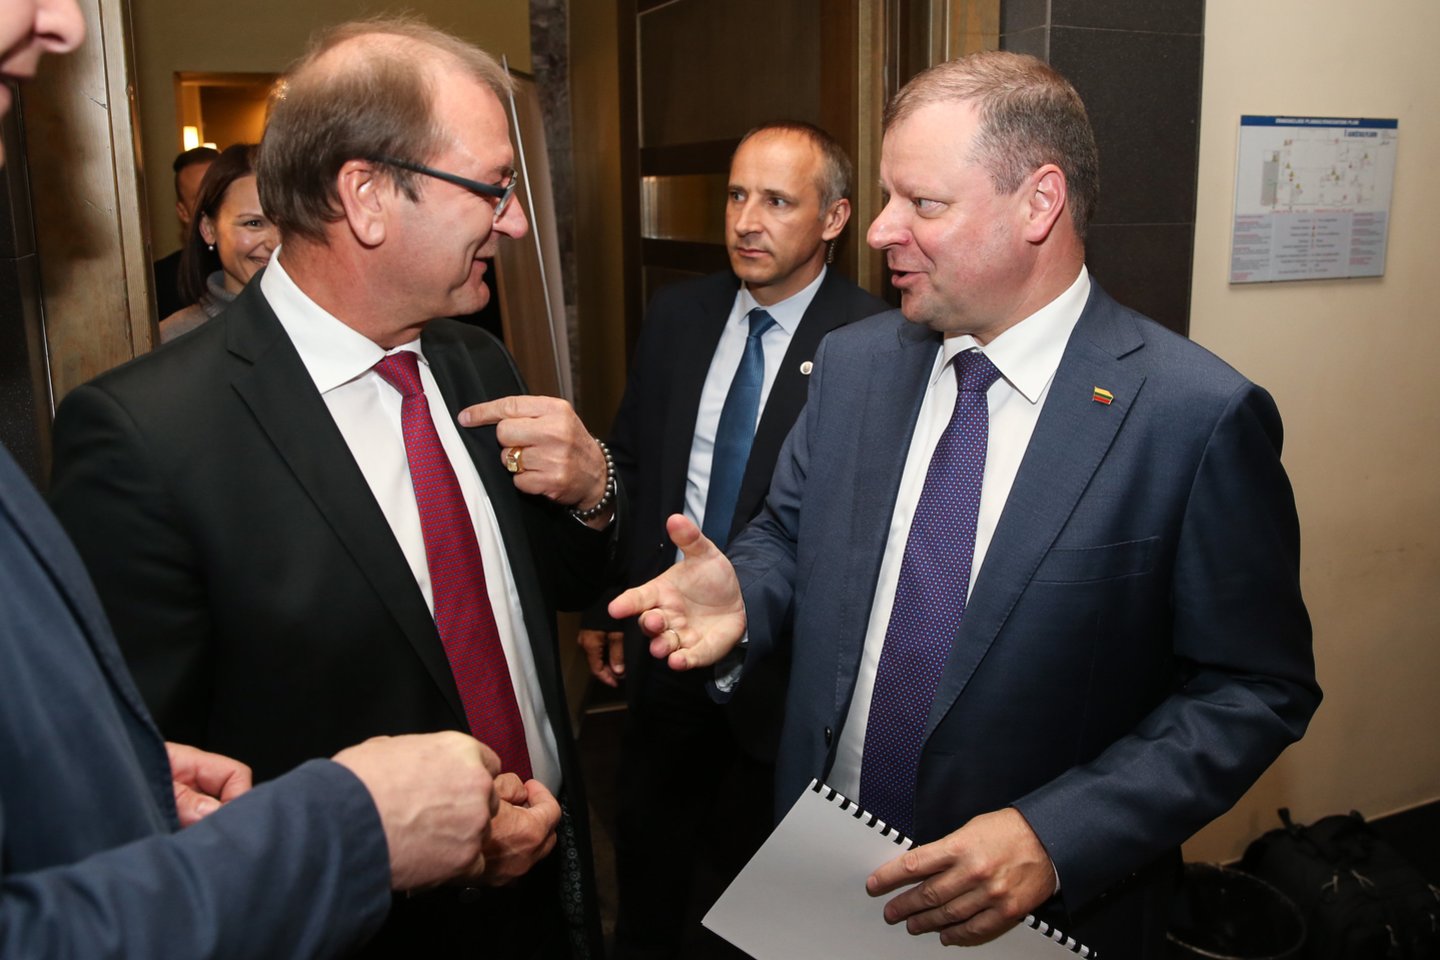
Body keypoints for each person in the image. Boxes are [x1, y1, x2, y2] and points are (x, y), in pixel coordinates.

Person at [611, 51, 1320, 958]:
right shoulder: (856, 366)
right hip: (820, 867)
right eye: (886, 197)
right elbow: (787, 533)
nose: (879, 230)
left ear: (1039, 204)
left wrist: (1055, 837)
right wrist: (746, 591)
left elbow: (1254, 688)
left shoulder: (1192, 417)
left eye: (923, 203)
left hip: (1036, 918)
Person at [49, 16, 619, 959]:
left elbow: (545, 589)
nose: (516, 220)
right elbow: (133, 790)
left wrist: (595, 491)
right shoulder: (145, 439)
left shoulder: (476, 361)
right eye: (493, 187)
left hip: (548, 881)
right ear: (366, 196)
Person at [581, 120, 886, 960]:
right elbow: (633, 466)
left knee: (755, 898)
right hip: (665, 649)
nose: (747, 221)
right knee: (649, 868)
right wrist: (607, 599)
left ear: (834, 218)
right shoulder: (678, 315)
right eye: (737, 196)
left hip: (780, 674)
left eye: (778, 201)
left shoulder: (876, 347)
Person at [159, 142, 276, 342]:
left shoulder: (326, 323)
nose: (275, 243)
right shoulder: (174, 338)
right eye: (253, 223)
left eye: (289, 224)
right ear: (208, 229)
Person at [152, 145, 219, 320]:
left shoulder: (262, 259)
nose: (212, 203)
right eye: (200, 198)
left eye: (219, 192)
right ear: (183, 212)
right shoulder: (160, 281)